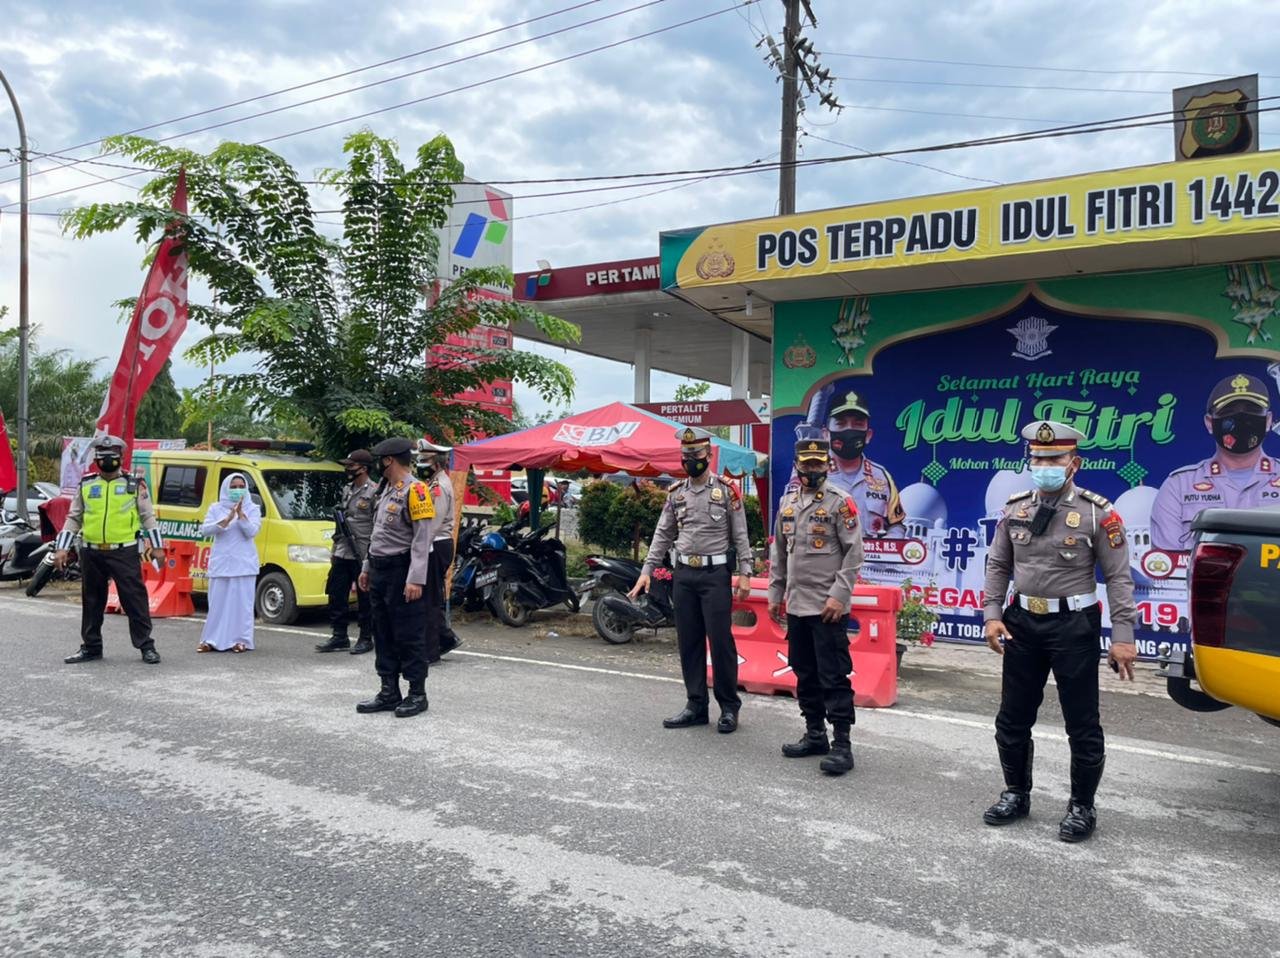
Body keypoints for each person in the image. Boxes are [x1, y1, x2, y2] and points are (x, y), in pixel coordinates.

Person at [982, 420, 1138, 843]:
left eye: (1054, 458)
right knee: (1012, 718)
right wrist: (993, 614)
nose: (1044, 465)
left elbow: (1120, 577)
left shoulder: (1096, 513)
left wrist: (1123, 636)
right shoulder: (1015, 509)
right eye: (1037, 458)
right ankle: (1016, 793)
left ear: (1074, 463)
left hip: (1073, 626)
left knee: (1082, 722)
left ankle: (1081, 806)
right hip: (1022, 625)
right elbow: (998, 565)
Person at [630, 426, 753, 733]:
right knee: (689, 641)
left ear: (709, 455)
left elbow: (740, 534)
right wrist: (647, 571)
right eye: (685, 456)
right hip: (684, 574)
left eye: (696, 455)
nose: (690, 460)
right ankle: (696, 704)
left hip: (715, 575)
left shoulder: (726, 491)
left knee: (721, 641)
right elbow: (663, 534)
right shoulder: (676, 493)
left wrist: (746, 573)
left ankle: (728, 707)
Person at [768, 439, 864, 776]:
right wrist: (774, 594)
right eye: (806, 464)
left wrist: (840, 595)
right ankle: (814, 734)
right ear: (797, 465)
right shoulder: (788, 503)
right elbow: (779, 553)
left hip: (827, 607)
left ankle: (842, 744)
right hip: (796, 606)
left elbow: (854, 554)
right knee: (804, 672)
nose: (812, 470)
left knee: (833, 676)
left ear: (827, 465)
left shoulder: (841, 503)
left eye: (818, 464)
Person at [56, 435, 165, 665]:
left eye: (112, 457)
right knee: (92, 600)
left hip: (123, 551)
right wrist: (62, 547)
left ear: (121, 458)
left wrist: (157, 547)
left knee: (134, 599)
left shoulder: (133, 484)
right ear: (96, 459)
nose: (107, 460)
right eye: (103, 457)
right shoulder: (87, 484)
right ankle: (91, 647)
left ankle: (146, 646)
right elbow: (73, 518)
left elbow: (148, 517)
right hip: (91, 551)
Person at [1150, 372, 1280, 551]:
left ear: (1268, 421)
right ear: (1210, 423)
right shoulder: (1179, 485)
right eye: (1228, 412)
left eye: (1252, 411)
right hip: (1201, 579)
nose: (1242, 419)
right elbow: (1169, 563)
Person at [356, 437, 435, 718]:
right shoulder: (385, 490)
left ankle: (417, 693)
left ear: (388, 460)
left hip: (403, 572)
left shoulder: (417, 491)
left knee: (409, 633)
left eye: (380, 459)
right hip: (379, 570)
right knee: (383, 632)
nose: (377, 464)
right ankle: (389, 691)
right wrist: (367, 567)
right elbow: (377, 535)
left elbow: (422, 540)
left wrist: (415, 579)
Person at [819, 390, 906, 538]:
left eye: (857, 424)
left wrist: (885, 551)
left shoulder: (882, 476)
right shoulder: (812, 474)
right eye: (841, 424)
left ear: (868, 435)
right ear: (826, 434)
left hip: (870, 561)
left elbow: (896, 525)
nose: (849, 430)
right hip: (826, 559)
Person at [316, 449, 377, 655]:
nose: (347, 469)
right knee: (336, 592)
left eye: (351, 466)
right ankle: (339, 636)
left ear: (364, 468)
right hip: (343, 549)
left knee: (365, 597)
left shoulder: (374, 492)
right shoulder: (347, 489)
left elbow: (376, 526)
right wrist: (334, 549)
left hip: (362, 551)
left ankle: (366, 637)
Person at [196, 473, 262, 653]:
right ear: (226, 488)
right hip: (222, 562)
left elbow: (252, 532)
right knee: (217, 603)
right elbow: (205, 530)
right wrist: (226, 519)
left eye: (241, 486)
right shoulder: (216, 508)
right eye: (233, 487)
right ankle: (211, 639)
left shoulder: (253, 508)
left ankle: (241, 640)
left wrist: (240, 515)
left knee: (242, 605)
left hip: (244, 564)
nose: (237, 490)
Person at [416, 439, 462, 664]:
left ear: (435, 464)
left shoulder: (439, 487)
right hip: (437, 544)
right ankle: (444, 639)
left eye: (424, 461)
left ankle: (431, 651)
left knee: (430, 600)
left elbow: (431, 525)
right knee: (429, 597)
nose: (420, 465)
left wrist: (418, 548)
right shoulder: (435, 483)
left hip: (437, 544)